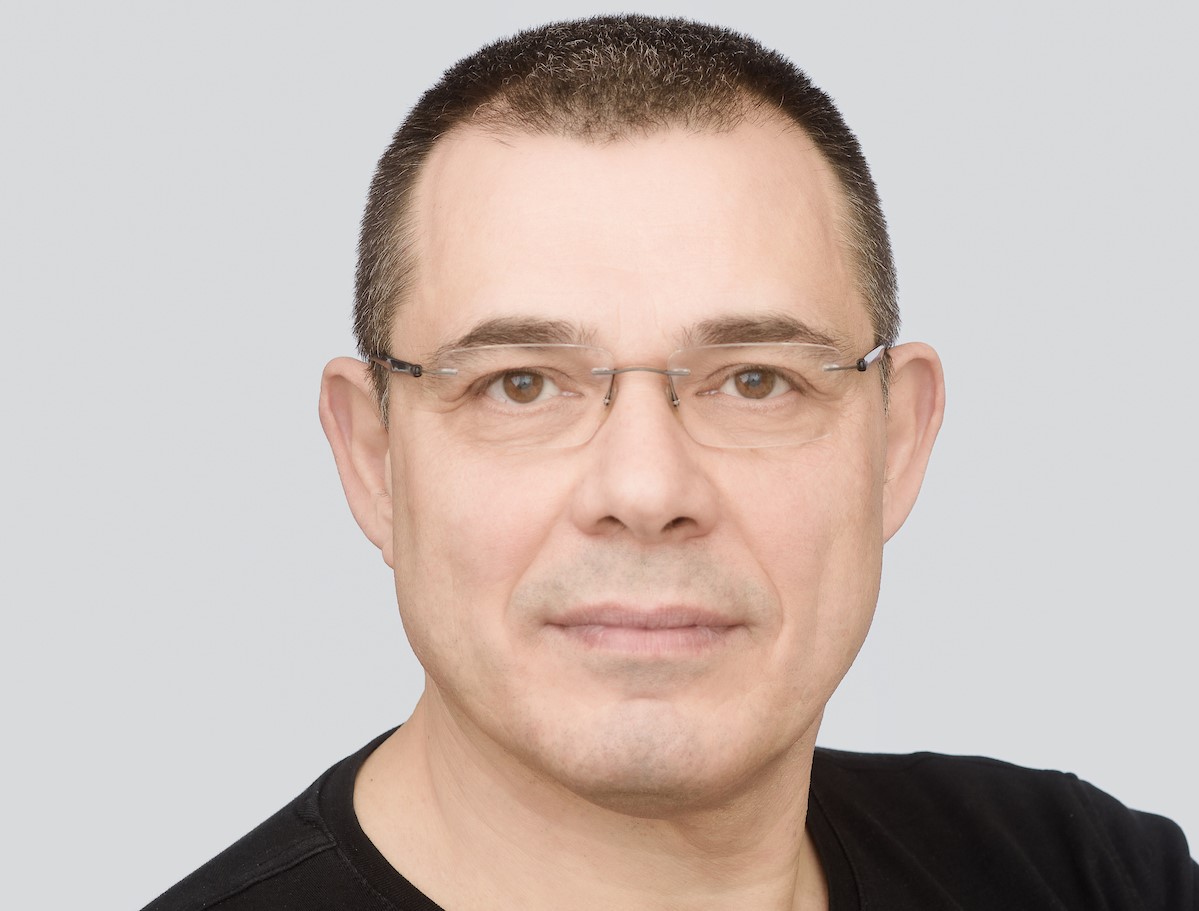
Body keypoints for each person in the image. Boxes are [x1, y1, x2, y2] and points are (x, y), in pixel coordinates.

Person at [142, 14, 1197, 910]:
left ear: (894, 442)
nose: (645, 490)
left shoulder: (1084, 874)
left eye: (754, 380)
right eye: (521, 383)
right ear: (374, 459)